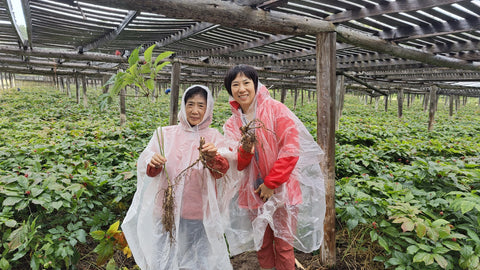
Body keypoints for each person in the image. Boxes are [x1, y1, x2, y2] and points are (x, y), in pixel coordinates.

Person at [222, 65, 326, 270]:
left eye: (246, 83)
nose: (241, 89)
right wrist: (246, 149)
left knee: (284, 247)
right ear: (230, 90)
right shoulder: (232, 124)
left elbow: (291, 148)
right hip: (253, 192)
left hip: (282, 191)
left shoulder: (276, 109)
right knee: (262, 245)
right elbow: (240, 164)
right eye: (235, 84)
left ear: (255, 84)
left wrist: (272, 183)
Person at [122, 85, 233, 270]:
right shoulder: (164, 134)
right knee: (163, 256)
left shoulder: (214, 137)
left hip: (196, 214)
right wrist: (154, 163)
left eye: (200, 105)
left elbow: (221, 172)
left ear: (208, 109)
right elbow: (149, 170)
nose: (195, 111)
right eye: (190, 104)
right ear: (183, 105)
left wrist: (213, 158)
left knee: (195, 259)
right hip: (166, 211)